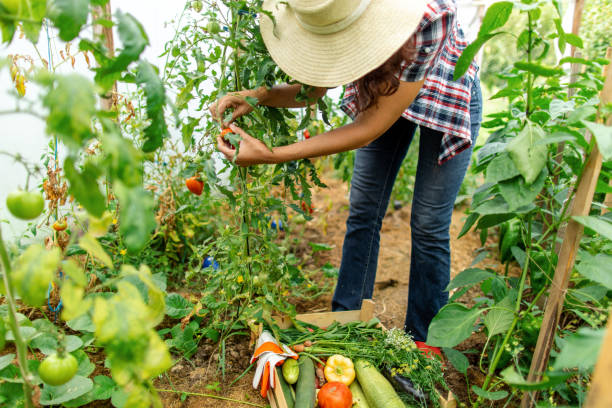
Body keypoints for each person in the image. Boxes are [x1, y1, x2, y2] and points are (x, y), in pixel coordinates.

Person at [210, 0, 482, 351]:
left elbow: (369, 128)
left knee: (428, 222)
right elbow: (314, 89)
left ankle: (426, 341)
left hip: (446, 91)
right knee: (364, 207)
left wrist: (271, 155)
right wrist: (259, 96)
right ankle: (348, 321)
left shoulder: (429, 13)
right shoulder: (331, 9)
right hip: (384, 89)